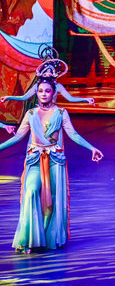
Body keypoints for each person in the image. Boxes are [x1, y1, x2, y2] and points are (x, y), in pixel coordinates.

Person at [0, 65, 103, 252]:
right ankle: (30, 239)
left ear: (54, 93)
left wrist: (91, 148)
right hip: (34, 159)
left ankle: (48, 238)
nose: (43, 94)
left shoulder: (61, 113)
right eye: (40, 91)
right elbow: (17, 137)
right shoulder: (31, 114)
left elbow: (73, 134)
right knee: (31, 191)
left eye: (47, 91)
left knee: (52, 201)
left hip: (55, 159)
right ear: (36, 93)